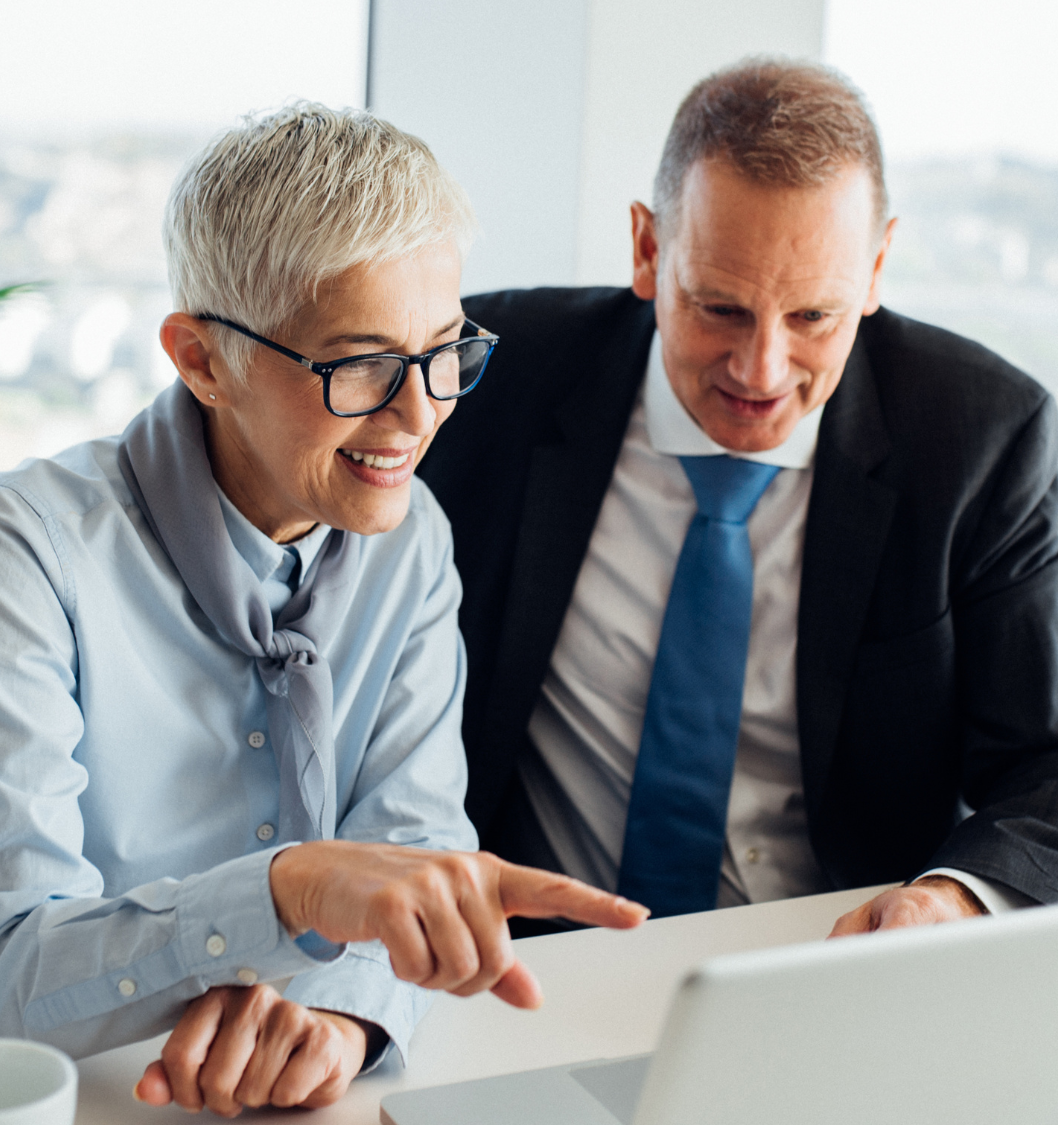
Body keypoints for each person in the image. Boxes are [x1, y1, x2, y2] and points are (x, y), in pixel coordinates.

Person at [0, 103, 646, 1118]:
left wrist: (342, 1019)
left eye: (445, 351)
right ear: (202, 360)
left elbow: (418, 842)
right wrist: (288, 894)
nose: (417, 415)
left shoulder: (412, 539)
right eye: (359, 365)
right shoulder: (18, 552)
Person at [418, 60, 1058, 939]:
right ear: (647, 250)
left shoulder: (983, 439)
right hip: (525, 962)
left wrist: (949, 894)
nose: (760, 371)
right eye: (718, 307)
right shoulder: (478, 377)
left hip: (834, 960)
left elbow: (1047, 766)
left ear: (874, 270)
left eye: (812, 318)